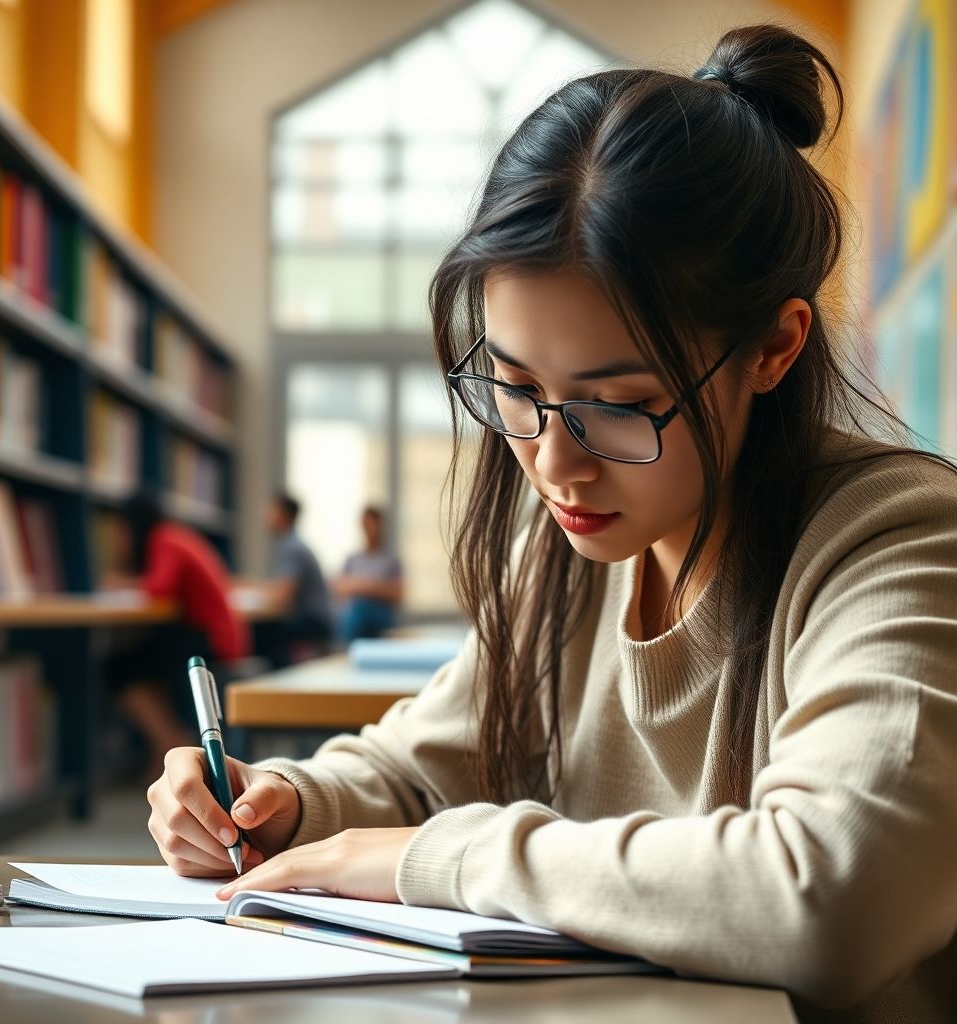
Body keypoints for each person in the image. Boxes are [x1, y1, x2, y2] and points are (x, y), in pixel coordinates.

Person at [146, 25, 957, 1022]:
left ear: (773, 348)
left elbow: (834, 897)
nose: (552, 462)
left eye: (617, 403)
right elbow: (420, 761)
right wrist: (281, 801)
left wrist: (427, 858)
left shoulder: (898, 540)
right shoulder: (567, 544)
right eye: (515, 387)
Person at [102, 491, 249, 772]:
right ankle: (168, 741)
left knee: (119, 667)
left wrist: (120, 582)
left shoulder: (165, 539)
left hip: (213, 640)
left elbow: (160, 588)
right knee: (138, 661)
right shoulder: (176, 535)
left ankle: (170, 741)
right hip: (210, 633)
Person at [252, 492, 333, 667]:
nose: (265, 515)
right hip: (313, 619)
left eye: (271, 510)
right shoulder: (290, 544)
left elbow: (282, 597)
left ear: (284, 515)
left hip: (314, 622)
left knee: (259, 632)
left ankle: (268, 686)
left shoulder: (292, 548)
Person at [331, 505, 404, 643]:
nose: (368, 527)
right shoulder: (352, 559)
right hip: (355, 612)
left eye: (372, 523)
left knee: (358, 614)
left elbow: (398, 593)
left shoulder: (390, 559)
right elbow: (339, 588)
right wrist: (376, 587)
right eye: (365, 523)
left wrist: (360, 585)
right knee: (350, 615)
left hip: (381, 613)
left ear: (381, 525)